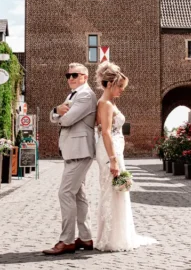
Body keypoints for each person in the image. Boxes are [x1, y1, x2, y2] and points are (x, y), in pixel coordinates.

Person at [93, 61, 156, 252]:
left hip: (114, 150)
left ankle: (116, 235)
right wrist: (112, 159)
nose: (121, 90)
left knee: (116, 190)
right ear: (110, 84)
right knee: (114, 189)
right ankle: (112, 238)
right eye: (120, 86)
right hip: (109, 151)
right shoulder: (105, 104)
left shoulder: (109, 103)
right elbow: (105, 132)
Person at [43, 63, 97, 255]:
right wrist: (57, 110)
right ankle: (85, 237)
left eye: (75, 75)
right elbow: (56, 115)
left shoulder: (84, 95)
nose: (70, 78)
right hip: (73, 150)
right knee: (78, 195)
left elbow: (66, 120)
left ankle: (66, 240)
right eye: (68, 75)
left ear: (85, 76)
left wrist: (57, 113)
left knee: (65, 193)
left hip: (80, 150)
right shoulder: (72, 95)